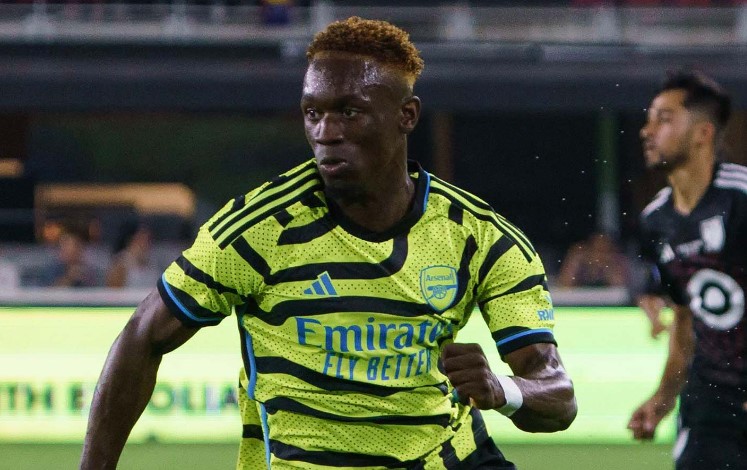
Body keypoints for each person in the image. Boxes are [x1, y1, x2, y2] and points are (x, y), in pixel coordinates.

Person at [81, 17, 576, 470]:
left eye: (349, 111)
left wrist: (502, 390)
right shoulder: (258, 229)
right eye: (312, 112)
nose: (326, 132)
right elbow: (142, 336)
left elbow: (558, 397)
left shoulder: (480, 237)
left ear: (407, 115)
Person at [627, 70, 747, 469]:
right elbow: (684, 319)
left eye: (664, 119)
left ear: (702, 133)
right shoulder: (655, 220)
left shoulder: (741, 199)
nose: (647, 131)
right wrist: (663, 399)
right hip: (709, 406)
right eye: (649, 119)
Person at [556, 231, 631, 288]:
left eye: (603, 250)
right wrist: (575, 259)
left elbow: (620, 287)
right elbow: (564, 284)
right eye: (596, 249)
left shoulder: (617, 261)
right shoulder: (580, 261)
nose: (599, 254)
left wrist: (607, 266)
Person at [105, 220, 160, 288]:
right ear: (131, 239)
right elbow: (112, 291)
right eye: (141, 238)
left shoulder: (152, 263)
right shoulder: (120, 264)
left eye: (148, 239)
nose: (146, 243)